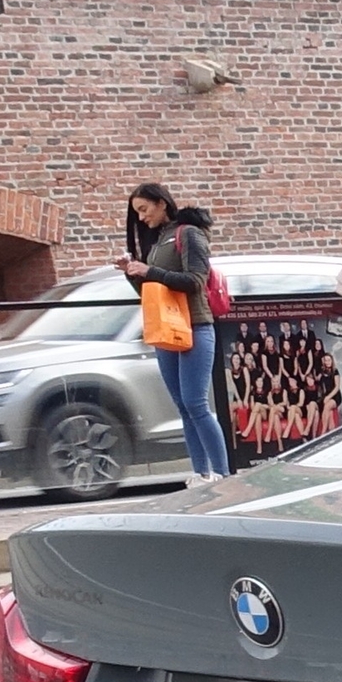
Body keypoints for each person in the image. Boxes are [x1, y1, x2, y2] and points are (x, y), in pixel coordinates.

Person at [117, 182, 232, 483]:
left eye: (144, 209)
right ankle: (200, 472)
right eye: (137, 213)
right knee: (183, 405)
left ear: (161, 203)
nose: (141, 218)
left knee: (196, 403)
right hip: (167, 328)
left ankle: (222, 473)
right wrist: (132, 272)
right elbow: (152, 290)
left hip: (194, 325)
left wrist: (149, 271)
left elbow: (195, 280)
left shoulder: (188, 233)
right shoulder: (158, 242)